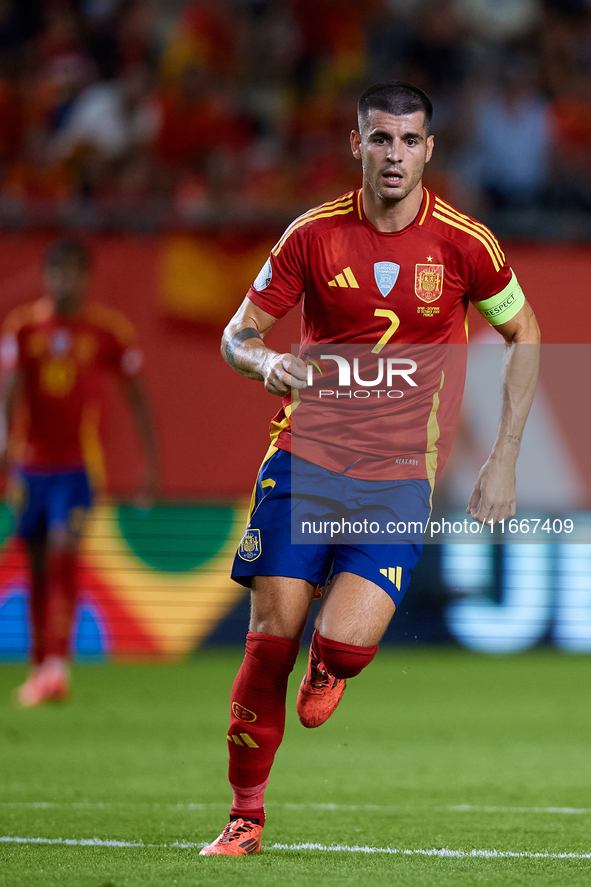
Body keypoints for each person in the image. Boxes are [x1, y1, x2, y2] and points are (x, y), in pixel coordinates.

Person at [200, 81, 540, 856]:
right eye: (378, 139)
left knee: (342, 648)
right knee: (267, 640)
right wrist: (265, 363)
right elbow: (235, 336)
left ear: (428, 149)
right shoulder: (311, 236)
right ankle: (245, 815)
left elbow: (525, 330)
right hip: (304, 457)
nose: (393, 154)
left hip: (395, 477)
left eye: (407, 140)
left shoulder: (464, 243)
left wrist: (504, 458)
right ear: (355, 145)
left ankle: (336, 658)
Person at [0, 238, 158, 707]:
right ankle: (39, 666)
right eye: (58, 272)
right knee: (36, 565)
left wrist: (150, 464)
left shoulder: (107, 331)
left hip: (76, 468)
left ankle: (56, 667)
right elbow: (9, 397)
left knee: (65, 554)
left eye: (74, 273)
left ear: (87, 278)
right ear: (47, 276)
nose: (65, 281)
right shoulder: (24, 328)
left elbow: (138, 399)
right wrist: (5, 458)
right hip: (30, 468)